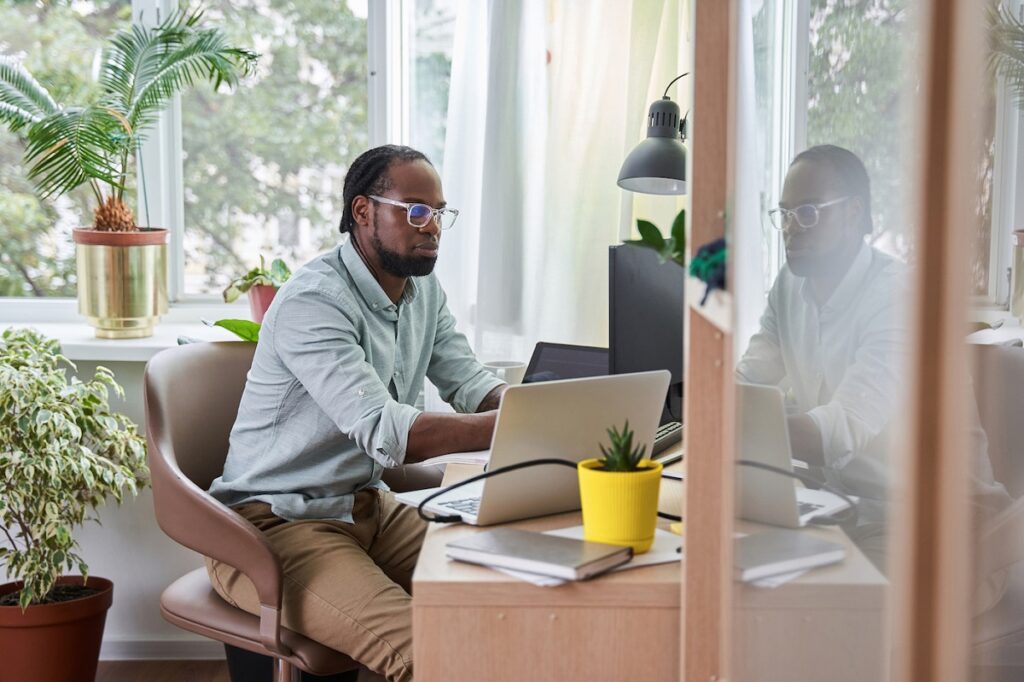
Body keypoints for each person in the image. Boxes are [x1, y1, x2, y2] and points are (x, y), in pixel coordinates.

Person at [206, 145, 507, 682]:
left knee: (515, 584)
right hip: (275, 526)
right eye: (416, 210)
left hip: (364, 508)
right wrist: (513, 427)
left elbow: (470, 382)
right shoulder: (313, 302)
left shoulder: (422, 291)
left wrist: (538, 410)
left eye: (440, 212)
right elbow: (388, 433)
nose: (432, 226)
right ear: (363, 211)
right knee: (432, 653)